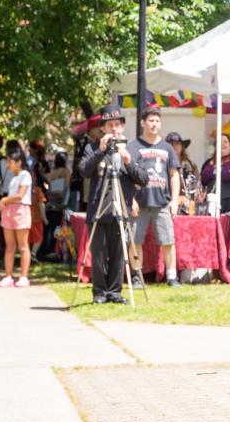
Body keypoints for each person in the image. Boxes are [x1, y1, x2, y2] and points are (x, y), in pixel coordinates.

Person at [80, 104, 145, 304]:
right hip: (98, 208)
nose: (114, 129)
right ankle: (100, 292)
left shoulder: (131, 148)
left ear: (123, 127)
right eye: (110, 125)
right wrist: (100, 151)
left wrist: (129, 162)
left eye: (118, 124)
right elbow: (83, 170)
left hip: (120, 209)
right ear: (103, 128)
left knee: (119, 254)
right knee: (99, 254)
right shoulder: (92, 147)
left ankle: (115, 292)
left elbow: (143, 179)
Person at [127, 109, 181, 288]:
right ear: (143, 123)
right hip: (139, 203)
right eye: (151, 120)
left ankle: (172, 277)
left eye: (157, 121)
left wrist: (174, 201)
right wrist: (131, 199)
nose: (154, 124)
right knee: (135, 241)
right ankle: (136, 277)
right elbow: (125, 176)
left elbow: (174, 175)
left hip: (162, 203)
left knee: (168, 241)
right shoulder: (133, 147)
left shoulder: (167, 148)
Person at [0, 147, 32, 288]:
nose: (8, 164)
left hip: (21, 210)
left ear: (19, 162)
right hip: (9, 211)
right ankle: (8, 276)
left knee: (23, 245)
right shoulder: (13, 178)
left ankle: (24, 276)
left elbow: (20, 196)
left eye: (10, 161)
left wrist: (4, 200)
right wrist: (5, 203)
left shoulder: (25, 175)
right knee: (9, 245)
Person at [166, 132, 199, 215]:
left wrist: (192, 197)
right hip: (167, 203)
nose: (174, 146)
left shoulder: (190, 164)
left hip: (187, 204)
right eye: (171, 144)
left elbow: (196, 184)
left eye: (177, 143)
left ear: (182, 146)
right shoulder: (162, 163)